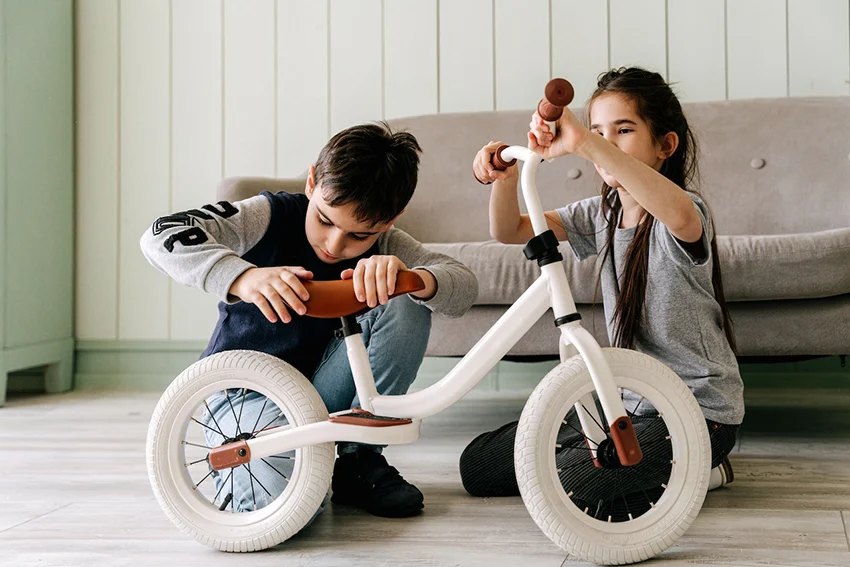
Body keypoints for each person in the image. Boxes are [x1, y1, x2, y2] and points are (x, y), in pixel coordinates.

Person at [141, 121, 478, 518]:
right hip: (245, 392)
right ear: (312, 182)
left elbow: (464, 285)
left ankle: (358, 463)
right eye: (325, 220)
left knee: (406, 296)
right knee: (281, 510)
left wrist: (410, 278)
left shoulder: (388, 240)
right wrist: (241, 276)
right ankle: (309, 472)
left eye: (359, 236)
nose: (335, 245)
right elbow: (160, 235)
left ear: (390, 219)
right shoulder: (266, 215)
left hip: (321, 387)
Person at [463, 67, 742, 519]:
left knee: (575, 486)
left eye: (624, 130)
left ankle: (704, 471)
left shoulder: (686, 212)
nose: (605, 143)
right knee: (479, 466)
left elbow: (676, 212)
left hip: (696, 415)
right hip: (622, 408)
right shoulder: (601, 214)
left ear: (665, 146)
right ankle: (670, 475)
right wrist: (507, 176)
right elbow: (510, 229)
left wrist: (584, 142)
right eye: (597, 130)